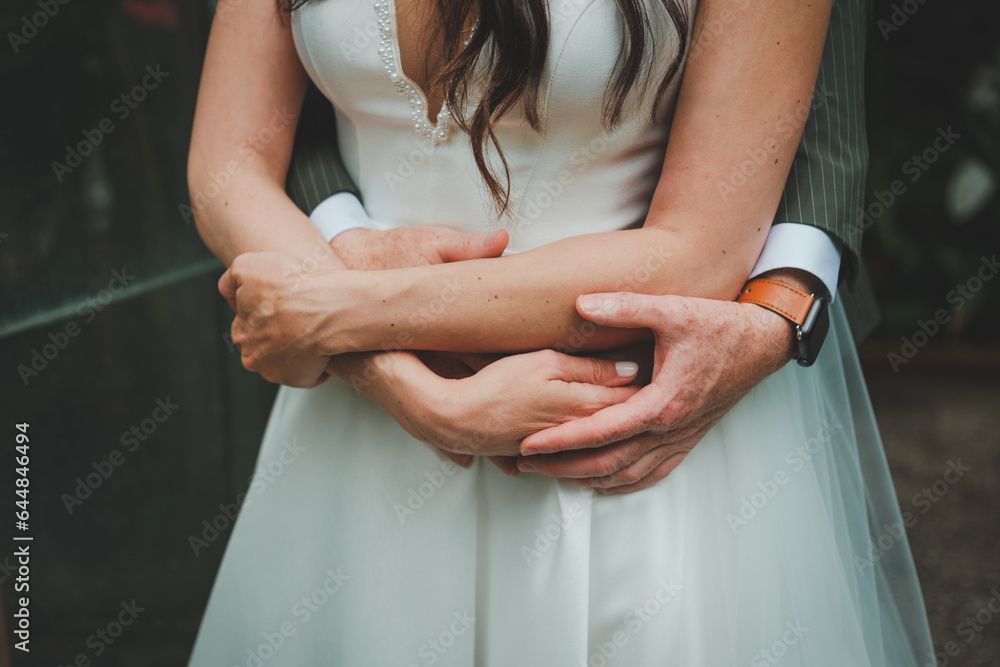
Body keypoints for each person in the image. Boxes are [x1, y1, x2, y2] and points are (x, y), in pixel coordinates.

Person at [188, 0, 933, 664]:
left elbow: (699, 250)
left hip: (611, 436)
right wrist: (398, 381)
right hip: (351, 448)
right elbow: (230, 164)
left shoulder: (326, 310)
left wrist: (329, 313)